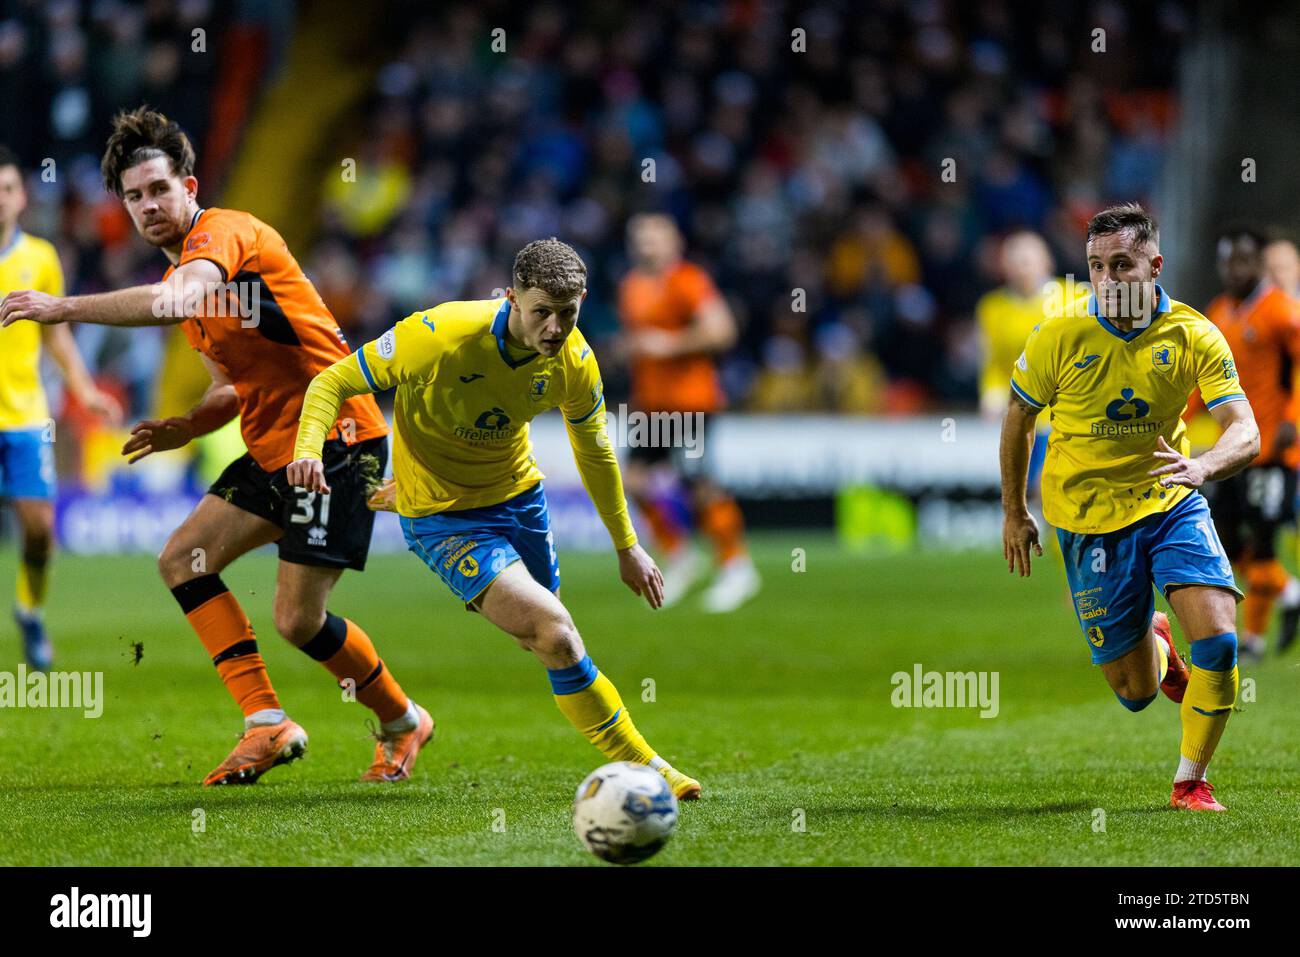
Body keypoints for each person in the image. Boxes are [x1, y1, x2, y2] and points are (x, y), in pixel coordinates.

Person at [0, 108, 431, 786]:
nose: (147, 206)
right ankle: (266, 722)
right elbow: (229, 387)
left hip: (339, 441)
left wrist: (61, 307)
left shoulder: (225, 237)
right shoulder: (187, 275)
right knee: (181, 558)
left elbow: (175, 302)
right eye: (134, 196)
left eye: (158, 190)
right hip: (273, 450)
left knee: (296, 618)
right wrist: (188, 427)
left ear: (190, 186)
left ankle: (404, 721)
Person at [289, 237, 702, 800]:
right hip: (444, 518)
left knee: (546, 636)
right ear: (511, 298)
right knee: (555, 634)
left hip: (519, 499)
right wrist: (308, 451)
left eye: (568, 314)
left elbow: (596, 453)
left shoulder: (575, 361)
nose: (555, 328)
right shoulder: (438, 335)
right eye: (542, 313)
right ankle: (650, 768)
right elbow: (331, 382)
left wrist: (627, 546)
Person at [1001, 203, 1258, 812]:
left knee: (1220, 640)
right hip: (1088, 517)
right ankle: (1159, 647)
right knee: (1135, 690)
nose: (1108, 281)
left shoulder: (1194, 334)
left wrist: (1202, 468)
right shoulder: (1058, 335)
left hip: (1171, 496)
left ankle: (1190, 783)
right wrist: (1015, 511)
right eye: (1096, 267)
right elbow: (1018, 422)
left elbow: (1245, 429)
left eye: (1122, 265)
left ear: (1154, 265)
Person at [0, 143, 122, 670]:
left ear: (22, 194)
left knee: (39, 530)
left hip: (25, 414)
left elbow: (58, 336)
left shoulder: (41, 259)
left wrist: (86, 388)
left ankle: (29, 611)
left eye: (6, 189)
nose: (0, 199)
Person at [617, 213, 759, 611]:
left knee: (699, 484)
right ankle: (680, 557)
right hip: (652, 403)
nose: (646, 244)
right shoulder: (631, 286)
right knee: (634, 481)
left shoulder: (689, 280)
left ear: (674, 241)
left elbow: (722, 331)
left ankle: (737, 568)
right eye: (639, 236)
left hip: (692, 401)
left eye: (654, 237)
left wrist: (669, 344)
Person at [1199, 228, 1300, 659]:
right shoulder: (1218, 312)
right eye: (1226, 262)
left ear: (1259, 265)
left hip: (1275, 449)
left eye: (1241, 261)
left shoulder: (1281, 312)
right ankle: (1290, 590)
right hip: (1233, 447)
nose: (1232, 270)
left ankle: (1253, 638)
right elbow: (1198, 378)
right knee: (1223, 535)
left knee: (1262, 540)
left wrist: (1293, 419)